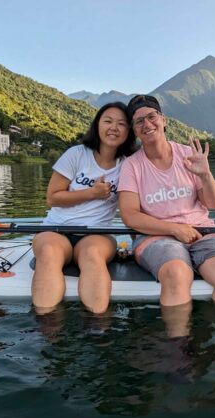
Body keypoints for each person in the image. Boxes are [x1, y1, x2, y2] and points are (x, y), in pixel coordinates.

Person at [117, 95, 215, 337]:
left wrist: (206, 175)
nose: (146, 124)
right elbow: (130, 216)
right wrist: (174, 229)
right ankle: (178, 348)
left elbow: (214, 202)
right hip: (156, 237)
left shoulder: (188, 155)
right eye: (138, 122)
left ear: (163, 120)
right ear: (134, 130)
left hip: (203, 231)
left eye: (151, 117)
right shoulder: (131, 166)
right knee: (176, 274)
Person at [32, 102, 136, 314]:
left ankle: (97, 326)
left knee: (92, 254)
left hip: (97, 234)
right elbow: (52, 198)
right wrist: (91, 193)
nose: (113, 127)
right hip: (56, 229)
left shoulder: (129, 164)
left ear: (129, 131)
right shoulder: (76, 154)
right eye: (107, 121)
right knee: (49, 252)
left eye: (121, 123)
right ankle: (47, 324)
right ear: (97, 125)